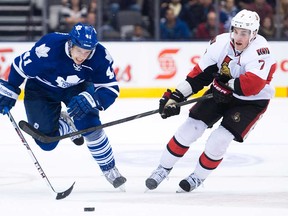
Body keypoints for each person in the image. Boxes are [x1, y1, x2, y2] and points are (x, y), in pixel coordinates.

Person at [145, 9, 276, 192]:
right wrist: (176, 96)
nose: (238, 36)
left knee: (219, 140)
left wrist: (226, 85)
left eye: (244, 33)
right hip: (220, 92)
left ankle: (198, 177)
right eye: (236, 31)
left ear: (253, 34)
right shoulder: (220, 43)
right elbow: (199, 75)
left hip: (251, 102)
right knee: (190, 128)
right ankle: (163, 168)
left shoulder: (261, 51)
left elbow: (251, 86)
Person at [0, 23, 127, 189]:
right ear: (71, 43)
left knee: (90, 126)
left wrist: (92, 99)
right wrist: (11, 89)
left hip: (77, 89)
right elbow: (19, 66)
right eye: (79, 50)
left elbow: (110, 89)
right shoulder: (49, 47)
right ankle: (67, 125)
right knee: (47, 143)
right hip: (41, 89)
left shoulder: (100, 56)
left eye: (87, 52)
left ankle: (109, 168)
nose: (82, 56)